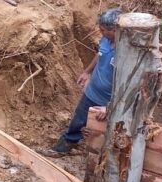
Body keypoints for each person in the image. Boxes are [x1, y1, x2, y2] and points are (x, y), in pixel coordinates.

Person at [51, 8, 123, 154]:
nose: (101, 32)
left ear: (115, 30)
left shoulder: (126, 53)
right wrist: (87, 72)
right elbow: (100, 54)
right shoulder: (106, 40)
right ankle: (64, 147)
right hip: (92, 92)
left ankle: (99, 160)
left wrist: (109, 107)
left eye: (104, 30)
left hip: (107, 101)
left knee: (105, 134)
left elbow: (129, 87)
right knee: (78, 120)